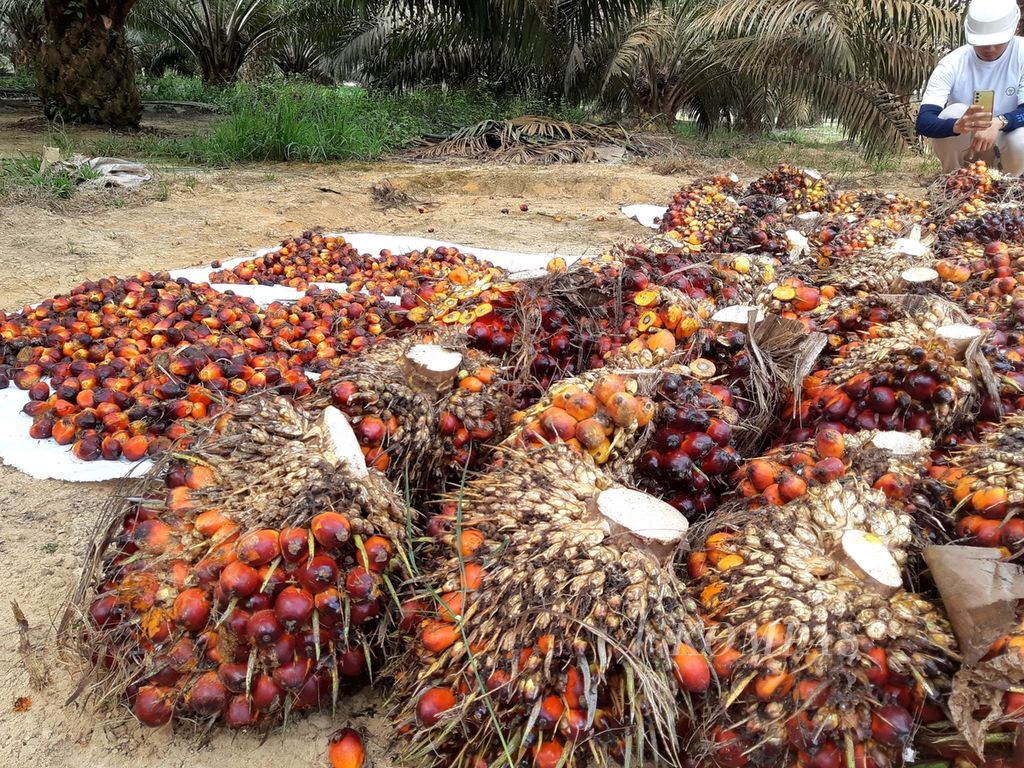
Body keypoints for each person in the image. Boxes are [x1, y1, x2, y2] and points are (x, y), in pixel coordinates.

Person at [916, 0, 1024, 174]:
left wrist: (999, 122)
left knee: (1021, 137)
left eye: (998, 41)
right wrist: (956, 126)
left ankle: (1011, 185)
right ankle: (954, 182)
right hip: (969, 151)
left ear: (1015, 29)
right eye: (982, 42)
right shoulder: (952, 63)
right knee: (951, 112)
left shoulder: (1021, 54)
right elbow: (924, 122)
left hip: (1007, 151)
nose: (990, 48)